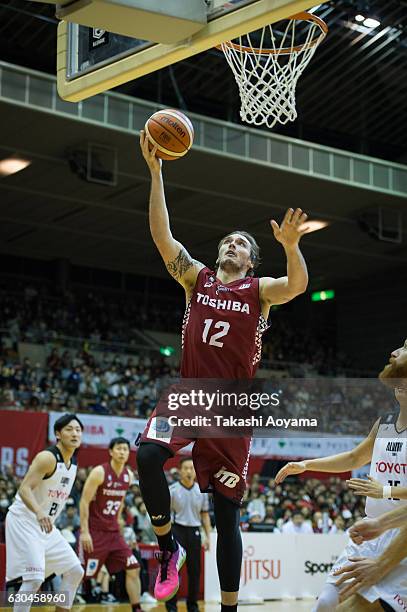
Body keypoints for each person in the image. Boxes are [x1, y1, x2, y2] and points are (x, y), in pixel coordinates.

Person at [137, 131, 309, 610]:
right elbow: (162, 236)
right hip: (189, 395)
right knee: (148, 456)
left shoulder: (259, 291)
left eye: (241, 244)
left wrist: (292, 246)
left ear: (251, 260)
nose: (232, 245)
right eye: (228, 241)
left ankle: (228, 608)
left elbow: (297, 285)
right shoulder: (197, 279)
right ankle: (168, 544)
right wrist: (156, 174)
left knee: (227, 516)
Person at [275, 340, 407, 612]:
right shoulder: (384, 422)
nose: (393, 353)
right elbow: (353, 458)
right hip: (371, 530)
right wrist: (306, 464)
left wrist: (384, 491)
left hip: (400, 536)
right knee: (325, 602)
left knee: (358, 607)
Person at [5, 413, 84, 612]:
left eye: (78, 430)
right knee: (33, 579)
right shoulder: (47, 458)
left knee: (75, 571)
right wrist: (40, 512)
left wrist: (44, 515)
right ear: (58, 434)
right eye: (69, 429)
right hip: (24, 520)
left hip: (46, 526)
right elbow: (24, 489)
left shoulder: (73, 463)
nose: (74, 433)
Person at [79, 437, 143, 612]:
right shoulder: (99, 472)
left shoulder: (128, 475)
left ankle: (137, 608)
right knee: (80, 574)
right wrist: (84, 531)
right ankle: (64, 605)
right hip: (95, 532)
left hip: (113, 533)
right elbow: (84, 502)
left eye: (125, 449)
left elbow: (120, 499)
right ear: (111, 451)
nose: (123, 452)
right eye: (119, 449)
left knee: (134, 567)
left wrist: (119, 522)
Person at [166, 457, 211, 612]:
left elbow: (205, 515)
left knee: (194, 571)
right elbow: (166, 515)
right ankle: (171, 606)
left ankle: (193, 605)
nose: (189, 471)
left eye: (192, 468)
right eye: (185, 468)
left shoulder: (202, 491)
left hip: (195, 532)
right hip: (177, 530)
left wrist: (208, 536)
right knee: (173, 570)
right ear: (180, 471)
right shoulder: (172, 490)